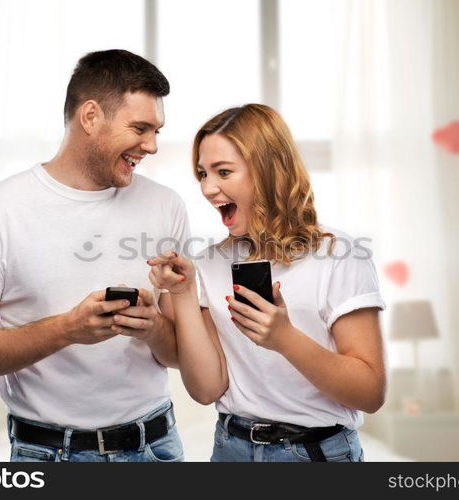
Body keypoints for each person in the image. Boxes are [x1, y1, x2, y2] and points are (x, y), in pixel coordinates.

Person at [0, 49, 188, 462]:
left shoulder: (166, 206)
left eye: (157, 131)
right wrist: (67, 329)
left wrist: (153, 327)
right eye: (140, 128)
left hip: (155, 449)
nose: (151, 146)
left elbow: (183, 354)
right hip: (47, 454)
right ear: (90, 117)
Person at [147, 104, 386, 462]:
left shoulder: (339, 253)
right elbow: (207, 388)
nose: (209, 189)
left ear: (268, 170)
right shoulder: (210, 263)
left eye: (223, 172)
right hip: (231, 449)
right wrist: (181, 293)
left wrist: (283, 338)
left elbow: (370, 392)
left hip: (317, 453)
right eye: (202, 174)